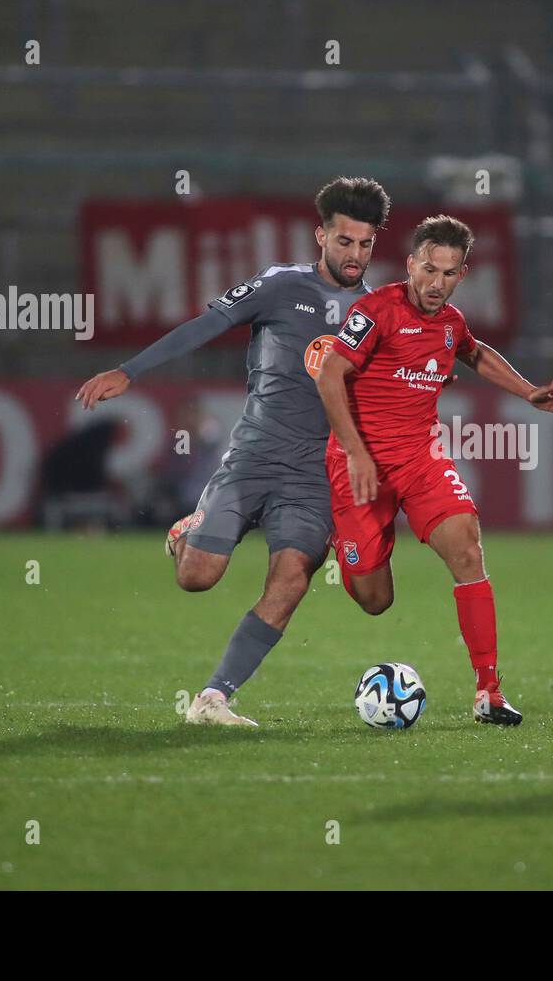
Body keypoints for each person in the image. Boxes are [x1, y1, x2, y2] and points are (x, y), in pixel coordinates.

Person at [75, 177, 391, 726]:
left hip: (314, 474)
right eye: (345, 241)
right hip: (254, 456)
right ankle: (186, 534)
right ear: (320, 235)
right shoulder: (279, 285)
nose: (356, 255)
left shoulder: (378, 312)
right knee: (197, 576)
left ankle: (214, 697)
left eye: (366, 244)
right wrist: (130, 371)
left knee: (290, 579)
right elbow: (206, 325)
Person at [315, 214, 553, 725]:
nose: (436, 284)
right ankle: (343, 544)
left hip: (420, 459)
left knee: (467, 546)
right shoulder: (375, 311)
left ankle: (489, 692)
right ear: (411, 264)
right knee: (374, 599)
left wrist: (528, 392)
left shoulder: (451, 322)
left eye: (450, 274)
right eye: (429, 270)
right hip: (358, 465)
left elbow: (473, 354)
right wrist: (356, 451)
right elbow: (330, 376)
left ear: (462, 274)